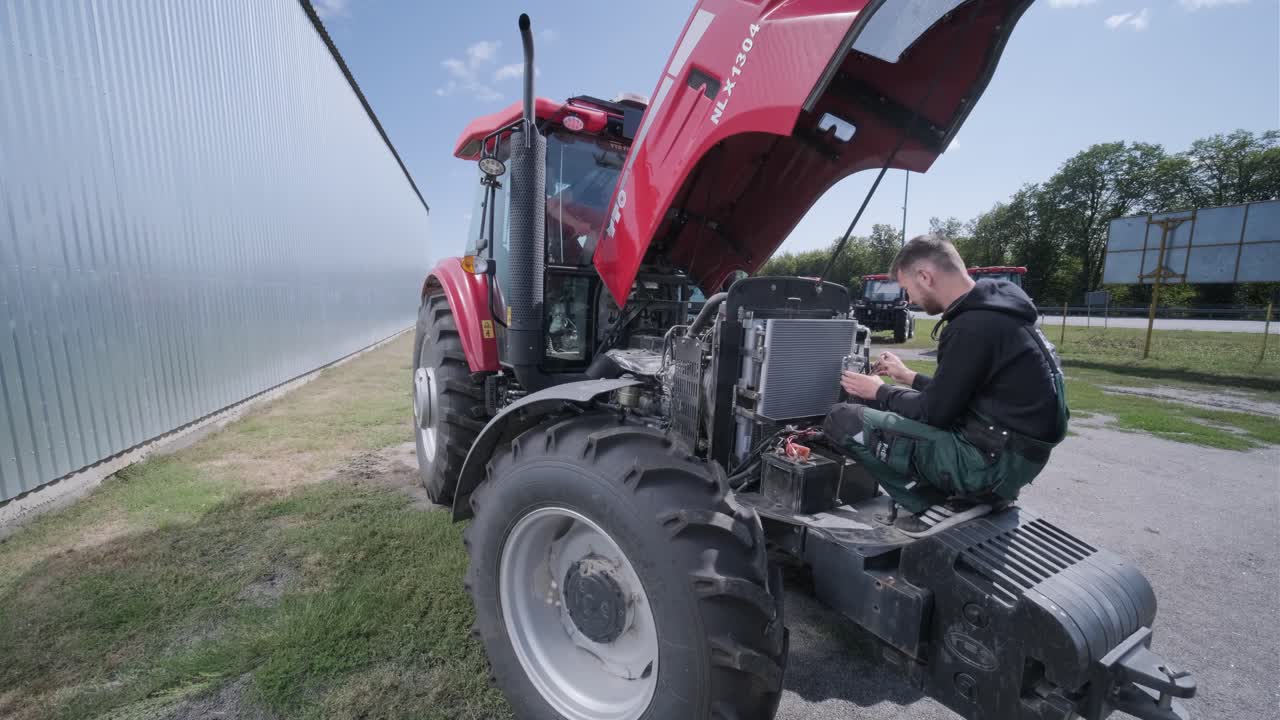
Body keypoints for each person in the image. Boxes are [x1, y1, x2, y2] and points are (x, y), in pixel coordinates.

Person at [823, 234, 1069, 537]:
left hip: (989, 461)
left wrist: (878, 390)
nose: (909, 300)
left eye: (907, 289)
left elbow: (934, 413)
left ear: (925, 277)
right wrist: (908, 377)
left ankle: (935, 506)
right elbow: (961, 392)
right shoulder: (1001, 314)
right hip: (1014, 455)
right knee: (892, 403)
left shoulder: (972, 326)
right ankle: (981, 495)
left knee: (842, 419)